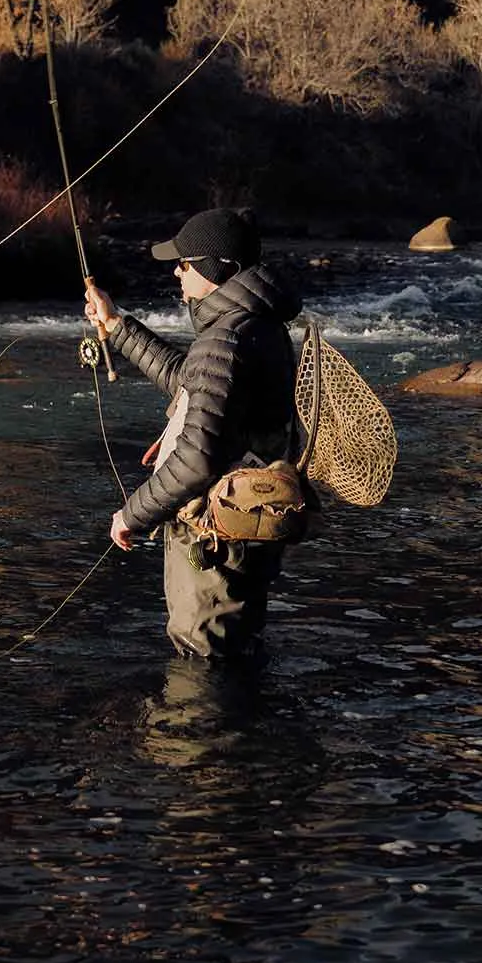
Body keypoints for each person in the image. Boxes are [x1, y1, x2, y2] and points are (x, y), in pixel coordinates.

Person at [83, 207, 306, 660]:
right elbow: (193, 381)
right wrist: (117, 327)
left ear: (215, 268)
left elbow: (198, 459)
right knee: (236, 655)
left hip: (213, 543)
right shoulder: (257, 325)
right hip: (245, 535)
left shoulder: (225, 339)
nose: (176, 273)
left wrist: (131, 514)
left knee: (202, 669)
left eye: (184, 264)